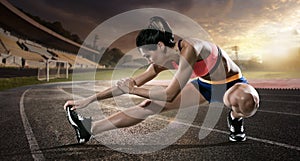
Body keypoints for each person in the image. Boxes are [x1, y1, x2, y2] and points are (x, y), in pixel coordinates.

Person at [64, 16, 260, 144]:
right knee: (149, 105)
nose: (148, 61)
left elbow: (170, 94)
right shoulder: (162, 62)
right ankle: (89, 129)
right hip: (205, 86)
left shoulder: (191, 48)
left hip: (233, 84)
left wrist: (133, 89)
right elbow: (128, 85)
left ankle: (235, 119)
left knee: (240, 100)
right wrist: (88, 100)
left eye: (148, 56)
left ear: (159, 46)